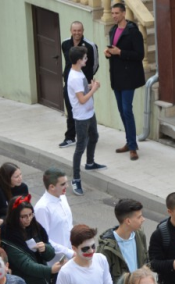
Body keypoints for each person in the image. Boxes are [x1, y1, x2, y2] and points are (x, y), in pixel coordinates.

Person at [105, 2, 146, 161]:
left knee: (127, 110)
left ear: (123, 13)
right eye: (112, 13)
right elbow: (114, 52)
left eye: (116, 13)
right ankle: (129, 142)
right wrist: (109, 53)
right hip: (116, 76)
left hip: (129, 77)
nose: (114, 16)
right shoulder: (113, 30)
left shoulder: (133, 32)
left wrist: (120, 52)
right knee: (122, 111)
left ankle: (133, 147)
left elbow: (139, 55)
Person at [67, 45, 106, 196]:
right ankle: (76, 179)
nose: (86, 59)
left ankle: (90, 163)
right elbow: (82, 99)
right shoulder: (75, 77)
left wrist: (91, 85)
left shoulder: (78, 72)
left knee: (94, 136)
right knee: (80, 147)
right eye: (84, 58)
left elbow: (82, 89)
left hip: (90, 113)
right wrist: (94, 89)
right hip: (81, 117)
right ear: (78, 60)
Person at [60, 21, 99, 149]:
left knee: (86, 111)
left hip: (85, 85)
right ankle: (70, 137)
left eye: (79, 30)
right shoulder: (65, 44)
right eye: (74, 30)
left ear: (83, 31)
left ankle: (89, 136)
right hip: (70, 84)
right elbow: (68, 63)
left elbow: (95, 65)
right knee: (71, 111)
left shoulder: (90, 46)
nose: (77, 33)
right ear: (71, 31)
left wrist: (86, 80)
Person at [98, 198, 148, 284]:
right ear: (128, 221)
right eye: (139, 217)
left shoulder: (140, 235)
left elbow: (146, 261)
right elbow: (101, 279)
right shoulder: (107, 248)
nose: (143, 219)